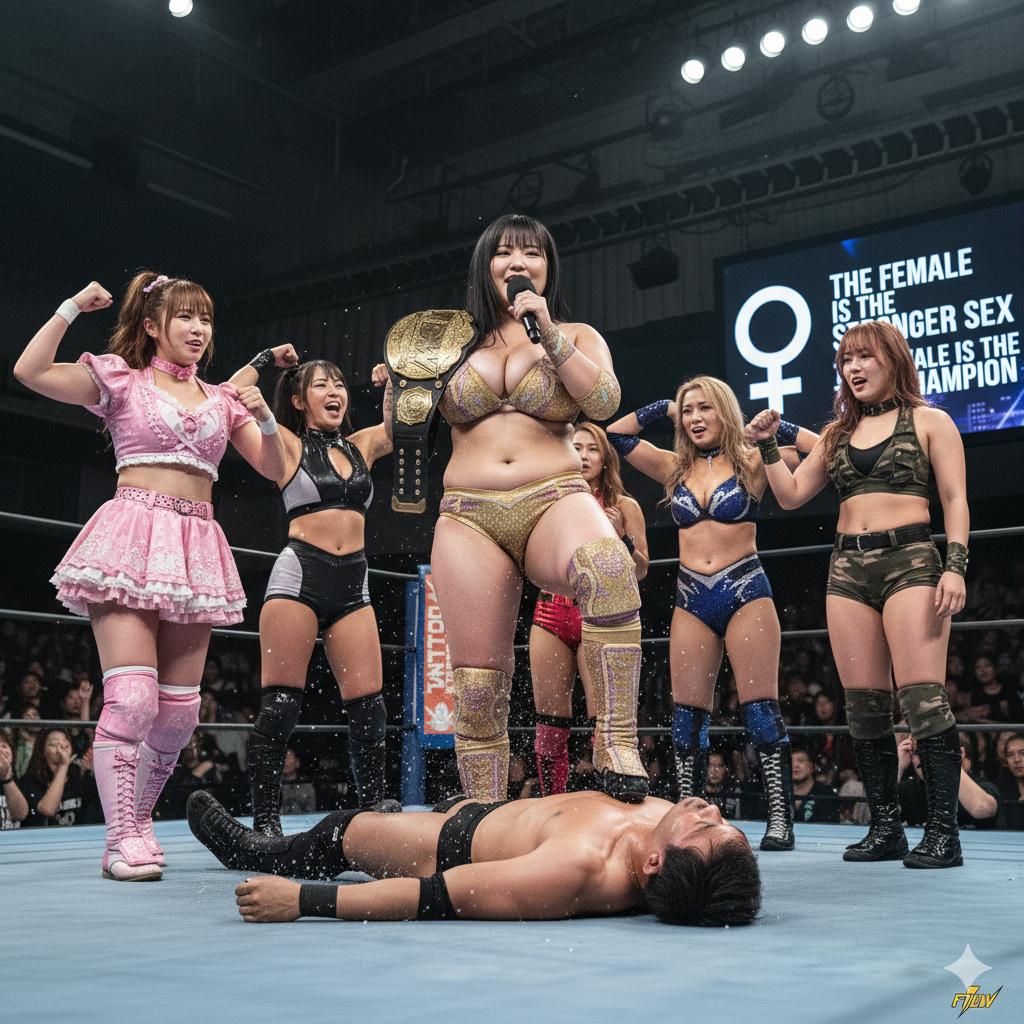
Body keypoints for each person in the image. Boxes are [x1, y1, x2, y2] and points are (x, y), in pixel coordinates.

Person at [13, 273, 287, 879]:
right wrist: (71, 306)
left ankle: (136, 822)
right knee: (133, 699)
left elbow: (274, 468)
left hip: (195, 547)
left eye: (205, 319)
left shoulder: (221, 399)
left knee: (180, 714)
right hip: (132, 537)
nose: (198, 329)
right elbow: (30, 372)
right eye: (185, 317)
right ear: (152, 325)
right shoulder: (122, 380)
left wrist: (265, 416)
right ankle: (120, 840)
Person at [412, 213, 646, 802]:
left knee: (608, 567)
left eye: (532, 253)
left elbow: (604, 400)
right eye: (504, 252)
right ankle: (485, 813)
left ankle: (617, 744)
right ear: (485, 265)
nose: (517, 262)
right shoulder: (447, 344)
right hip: (468, 513)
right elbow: (404, 432)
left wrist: (546, 332)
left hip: (554, 497)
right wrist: (400, 393)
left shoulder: (578, 333)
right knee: (476, 684)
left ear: (547, 267)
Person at [746, 320, 969, 868]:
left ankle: (943, 833)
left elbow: (954, 499)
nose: (854, 367)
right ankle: (886, 828)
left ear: (893, 359)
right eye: (846, 359)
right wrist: (769, 445)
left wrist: (956, 566)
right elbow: (791, 496)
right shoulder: (837, 434)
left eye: (865, 356)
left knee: (922, 697)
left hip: (910, 559)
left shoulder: (930, 421)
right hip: (847, 568)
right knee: (864, 706)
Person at [606, 376, 817, 850]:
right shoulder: (674, 467)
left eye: (705, 408)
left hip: (744, 587)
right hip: (691, 595)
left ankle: (780, 820)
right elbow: (615, 436)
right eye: (688, 411)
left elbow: (820, 449)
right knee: (686, 718)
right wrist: (663, 406)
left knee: (760, 710)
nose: (695, 418)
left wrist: (773, 430)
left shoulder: (752, 462)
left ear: (725, 411)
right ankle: (689, 818)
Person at [226, 356, 400, 836]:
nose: (334, 392)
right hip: (301, 574)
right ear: (300, 401)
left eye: (339, 384)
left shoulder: (362, 444)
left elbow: (397, 428)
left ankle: (371, 814)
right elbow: (228, 397)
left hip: (353, 581)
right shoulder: (284, 441)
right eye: (321, 385)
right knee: (281, 703)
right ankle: (265, 820)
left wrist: (394, 380)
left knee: (369, 706)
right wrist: (264, 362)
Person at [186, 788, 761, 927]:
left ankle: (257, 851)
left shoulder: (576, 869)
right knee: (397, 811)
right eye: (721, 820)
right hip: (489, 811)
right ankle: (393, 815)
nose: (709, 809)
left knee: (343, 831)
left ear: (656, 864)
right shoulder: (663, 826)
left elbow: (433, 897)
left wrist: (303, 901)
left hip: (446, 846)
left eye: (706, 828)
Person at [529, 422, 649, 795]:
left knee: (605, 721)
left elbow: (641, 570)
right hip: (550, 613)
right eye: (575, 447)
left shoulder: (624, 506)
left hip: (598, 615)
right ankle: (551, 803)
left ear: (605, 457)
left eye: (592, 448)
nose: (582, 455)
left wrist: (621, 538)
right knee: (550, 722)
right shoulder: (546, 504)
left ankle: (608, 803)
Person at [896, 735, 1000, 830]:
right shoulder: (908, 789)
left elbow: (982, 809)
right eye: (918, 752)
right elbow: (885, 816)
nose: (925, 759)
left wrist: (951, 762)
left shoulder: (981, 786)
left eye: (933, 751)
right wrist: (898, 767)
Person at [18, 729, 100, 827]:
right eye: (53, 744)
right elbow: (47, 810)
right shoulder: (30, 781)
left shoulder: (78, 775)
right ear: (43, 751)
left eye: (65, 743)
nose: (60, 747)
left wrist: (91, 772)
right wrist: (63, 765)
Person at [790, 749, 840, 824]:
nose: (795, 766)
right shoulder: (780, 793)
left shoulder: (826, 793)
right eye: (791, 762)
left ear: (812, 767)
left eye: (800, 761)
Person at [0, 730, 29, 829]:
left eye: (4, 746)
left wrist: (6, 778)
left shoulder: (20, 780)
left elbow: (20, 815)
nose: (1, 751)